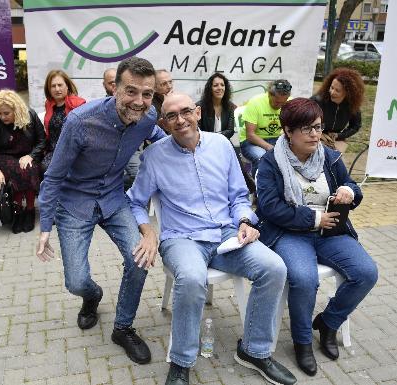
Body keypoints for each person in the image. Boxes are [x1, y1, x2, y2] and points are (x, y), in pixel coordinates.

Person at [127, 93, 296, 385]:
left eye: (185, 112)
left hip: (226, 233)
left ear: (198, 112)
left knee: (274, 267)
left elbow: (239, 195)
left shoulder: (221, 145)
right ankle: (181, 361)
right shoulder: (154, 156)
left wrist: (244, 220)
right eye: (171, 116)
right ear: (164, 123)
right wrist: (147, 230)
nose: (180, 120)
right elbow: (134, 202)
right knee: (192, 278)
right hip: (183, 238)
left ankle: (254, 351)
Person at [35, 57, 167, 365]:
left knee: (140, 260)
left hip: (113, 199)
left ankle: (123, 327)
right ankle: (92, 296)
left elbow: (162, 141)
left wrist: (192, 143)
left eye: (147, 94)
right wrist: (44, 227)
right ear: (115, 88)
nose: (139, 101)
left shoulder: (148, 118)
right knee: (75, 282)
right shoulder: (80, 121)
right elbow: (53, 176)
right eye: (131, 91)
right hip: (74, 205)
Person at [255, 98, 377, 376]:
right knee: (304, 279)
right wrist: (313, 218)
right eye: (307, 129)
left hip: (330, 231)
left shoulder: (330, 157)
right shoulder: (271, 163)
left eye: (318, 128)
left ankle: (329, 322)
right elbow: (269, 207)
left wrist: (349, 192)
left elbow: (352, 185)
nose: (315, 135)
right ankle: (302, 341)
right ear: (288, 131)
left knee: (366, 272)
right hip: (290, 234)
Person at [0, 89, 46, 234]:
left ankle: (30, 209)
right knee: (16, 169)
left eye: (6, 113)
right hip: (4, 156)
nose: (2, 117)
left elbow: (42, 141)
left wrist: (31, 155)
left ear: (16, 109)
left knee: (28, 167)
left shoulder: (30, 115)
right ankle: (18, 211)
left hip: (28, 155)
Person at [240, 79, 292, 176]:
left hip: (277, 139)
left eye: (283, 103)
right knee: (263, 157)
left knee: (294, 156)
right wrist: (270, 147)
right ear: (269, 94)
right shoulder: (255, 102)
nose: (280, 106)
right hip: (251, 141)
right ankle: (259, 187)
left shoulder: (290, 102)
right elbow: (250, 135)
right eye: (277, 102)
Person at [311, 67, 364, 153]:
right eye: (331, 88)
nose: (332, 92)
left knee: (334, 161)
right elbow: (304, 121)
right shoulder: (317, 101)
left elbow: (355, 126)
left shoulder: (352, 105)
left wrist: (339, 135)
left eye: (337, 90)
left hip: (336, 141)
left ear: (348, 93)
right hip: (315, 138)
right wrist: (319, 133)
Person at [41, 69, 86, 170]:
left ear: (67, 86)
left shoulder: (78, 104)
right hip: (53, 150)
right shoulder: (49, 104)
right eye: (53, 86)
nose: (57, 89)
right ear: (48, 89)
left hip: (73, 152)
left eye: (60, 85)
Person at [196, 72, 235, 139]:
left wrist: (216, 138)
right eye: (215, 85)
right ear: (210, 88)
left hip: (223, 142)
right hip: (205, 143)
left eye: (222, 85)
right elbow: (197, 131)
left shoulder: (230, 106)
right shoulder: (200, 106)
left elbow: (230, 131)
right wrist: (212, 139)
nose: (220, 88)